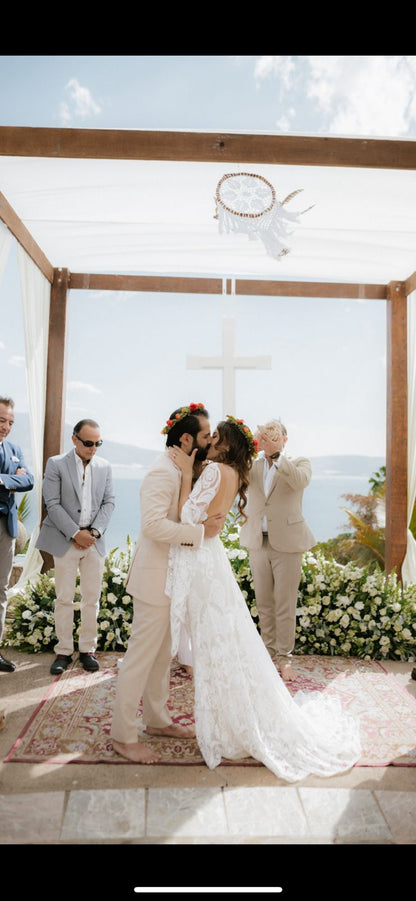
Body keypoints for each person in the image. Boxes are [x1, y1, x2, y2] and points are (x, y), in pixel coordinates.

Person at [165, 414, 361, 782]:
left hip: (256, 547)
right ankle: (245, 683)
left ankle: (271, 668)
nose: (209, 441)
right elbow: (219, 505)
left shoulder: (288, 465)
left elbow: (187, 514)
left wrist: (189, 475)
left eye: (214, 436)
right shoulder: (241, 470)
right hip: (234, 549)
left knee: (258, 615)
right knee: (241, 621)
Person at [111, 403, 224, 764]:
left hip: (170, 580)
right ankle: (124, 737)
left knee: (162, 657)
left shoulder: (180, 470)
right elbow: (153, 526)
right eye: (206, 435)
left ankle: (157, 720)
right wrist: (199, 533)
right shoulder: (162, 472)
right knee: (139, 660)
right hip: (154, 580)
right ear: (188, 438)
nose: (211, 440)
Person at [36, 418, 115, 676]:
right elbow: (52, 503)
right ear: (74, 439)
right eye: (89, 443)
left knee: (92, 599)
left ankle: (87, 650)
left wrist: (93, 532)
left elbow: (109, 502)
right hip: (65, 541)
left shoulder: (105, 466)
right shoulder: (56, 464)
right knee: (64, 598)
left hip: (94, 541)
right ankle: (63, 651)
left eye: (98, 443)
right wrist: (74, 533)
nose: (93, 448)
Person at [239, 418, 315, 682]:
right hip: (257, 541)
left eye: (275, 437)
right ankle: (267, 654)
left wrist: (277, 456)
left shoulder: (299, 462)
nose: (269, 442)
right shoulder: (253, 465)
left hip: (288, 543)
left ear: (285, 439)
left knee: (285, 604)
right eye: (265, 437)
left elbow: (299, 482)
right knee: (264, 602)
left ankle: (285, 659)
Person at [0, 396, 34, 673]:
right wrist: (13, 480)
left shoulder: (14, 449)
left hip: (6, 528)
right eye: (1, 420)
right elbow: (19, 479)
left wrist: (3, 479)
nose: (6, 427)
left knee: (0, 590)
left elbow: (29, 480)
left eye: (10, 422)